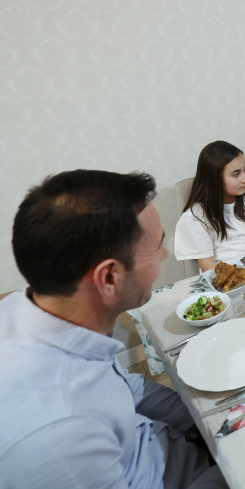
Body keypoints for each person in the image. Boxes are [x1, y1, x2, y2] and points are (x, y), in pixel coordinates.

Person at [0, 170, 226, 488]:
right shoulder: (56, 437)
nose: (164, 255)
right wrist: (238, 467)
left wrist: (208, 420)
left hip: (168, 442)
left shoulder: (29, 311)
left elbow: (124, 386)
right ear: (109, 277)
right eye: (157, 248)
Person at [174, 140, 245, 272]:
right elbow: (208, 267)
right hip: (220, 279)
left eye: (244, 170)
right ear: (214, 178)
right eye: (236, 174)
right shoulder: (196, 216)